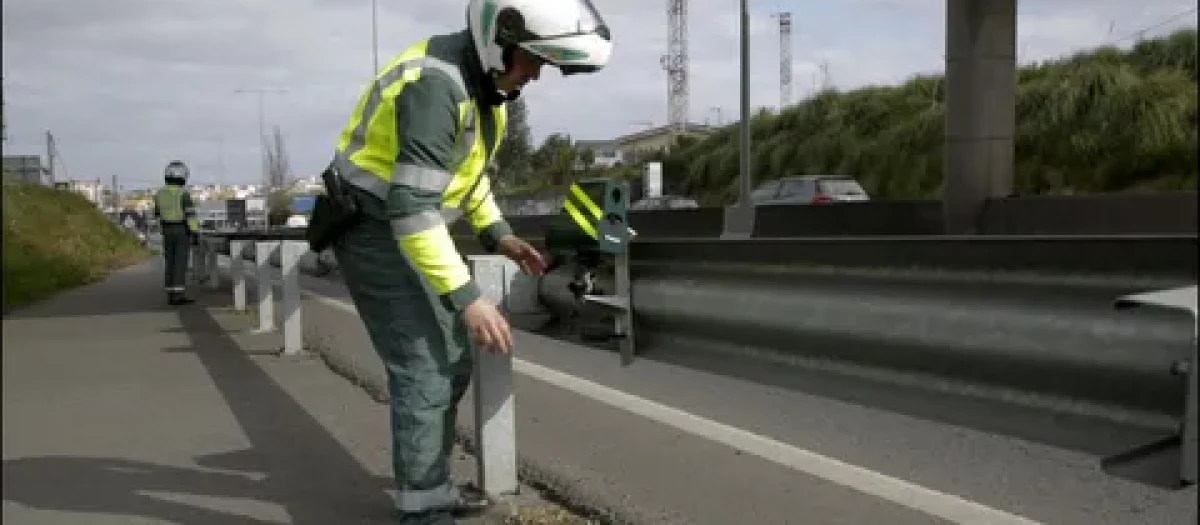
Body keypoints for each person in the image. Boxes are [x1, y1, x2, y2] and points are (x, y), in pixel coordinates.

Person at [319, 1, 612, 523]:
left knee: (450, 356)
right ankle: (422, 508)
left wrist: (498, 235)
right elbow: (411, 208)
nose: (536, 74)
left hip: (400, 223)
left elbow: (466, 179)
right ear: (498, 41)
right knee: (426, 365)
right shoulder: (438, 87)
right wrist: (467, 297)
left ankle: (429, 486)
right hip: (372, 226)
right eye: (532, 61)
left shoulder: (485, 88)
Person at [153, 160, 200, 305]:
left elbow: (157, 213)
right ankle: (178, 295)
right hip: (181, 229)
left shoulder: (160, 194)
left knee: (170, 261)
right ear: (183, 177)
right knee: (180, 262)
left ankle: (170, 293)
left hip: (166, 230)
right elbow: (190, 215)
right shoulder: (183, 194)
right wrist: (195, 232)